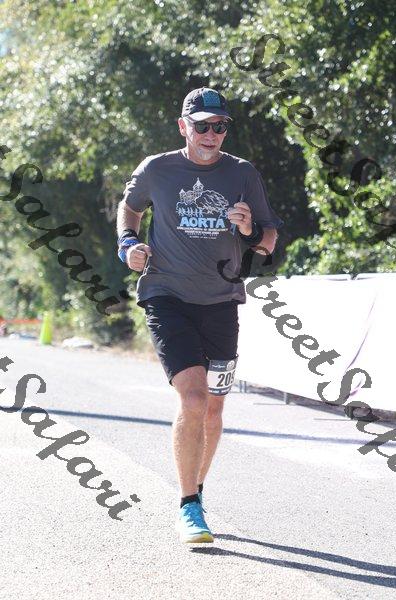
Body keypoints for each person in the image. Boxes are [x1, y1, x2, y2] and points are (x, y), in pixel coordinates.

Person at [116, 87, 283, 544]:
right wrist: (128, 245)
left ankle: (197, 492)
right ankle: (188, 505)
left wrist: (249, 229)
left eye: (220, 126)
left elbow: (268, 239)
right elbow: (130, 207)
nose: (211, 134)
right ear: (183, 126)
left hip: (222, 301)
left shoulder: (242, 173)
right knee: (193, 398)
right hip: (166, 295)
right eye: (202, 125)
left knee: (213, 408)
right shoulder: (158, 169)